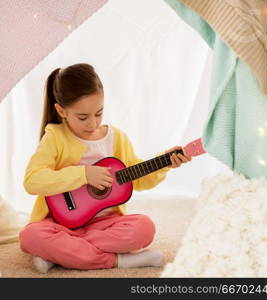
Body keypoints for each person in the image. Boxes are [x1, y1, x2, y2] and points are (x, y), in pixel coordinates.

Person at [19, 63, 191, 273]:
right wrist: (83, 174)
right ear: (61, 110)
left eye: (98, 114)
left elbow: (137, 179)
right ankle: (119, 260)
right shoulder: (55, 136)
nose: (92, 123)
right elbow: (32, 181)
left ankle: (62, 253)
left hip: (105, 224)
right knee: (30, 236)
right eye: (82, 117)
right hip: (59, 223)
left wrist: (164, 164)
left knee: (144, 228)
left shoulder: (116, 138)